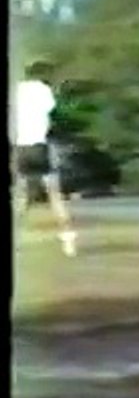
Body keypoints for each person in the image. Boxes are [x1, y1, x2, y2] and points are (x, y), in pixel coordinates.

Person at [13, 61, 78, 256]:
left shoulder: (17, 89)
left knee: (21, 196)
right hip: (39, 146)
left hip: (20, 147)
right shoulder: (44, 90)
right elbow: (52, 113)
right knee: (55, 195)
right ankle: (68, 239)